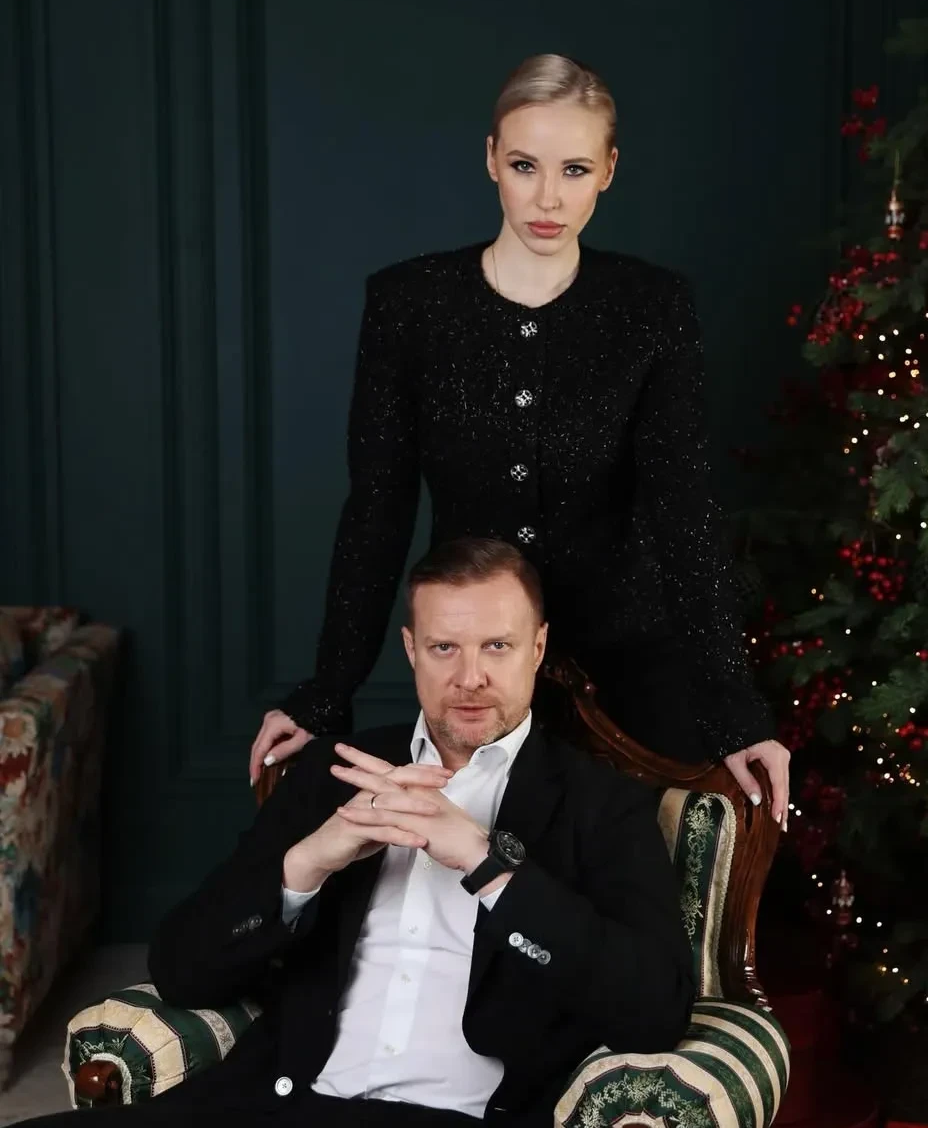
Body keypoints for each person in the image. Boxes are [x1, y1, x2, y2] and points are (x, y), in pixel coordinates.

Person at [0, 538, 694, 1128]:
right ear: (411, 649)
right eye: (445, 648)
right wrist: (311, 860)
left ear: (538, 648)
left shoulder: (603, 806)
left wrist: (488, 862)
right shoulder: (337, 771)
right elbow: (183, 969)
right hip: (279, 1126)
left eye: (497, 646)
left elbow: (654, 1005)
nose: (471, 676)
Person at [248, 53, 790, 825]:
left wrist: (734, 708)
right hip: (474, 667)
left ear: (609, 170)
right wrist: (328, 689)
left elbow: (685, 510)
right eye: (526, 165)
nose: (548, 198)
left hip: (630, 664)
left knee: (628, 879)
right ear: (491, 159)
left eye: (575, 170)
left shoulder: (652, 307)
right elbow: (378, 509)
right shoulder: (410, 304)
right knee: (471, 874)